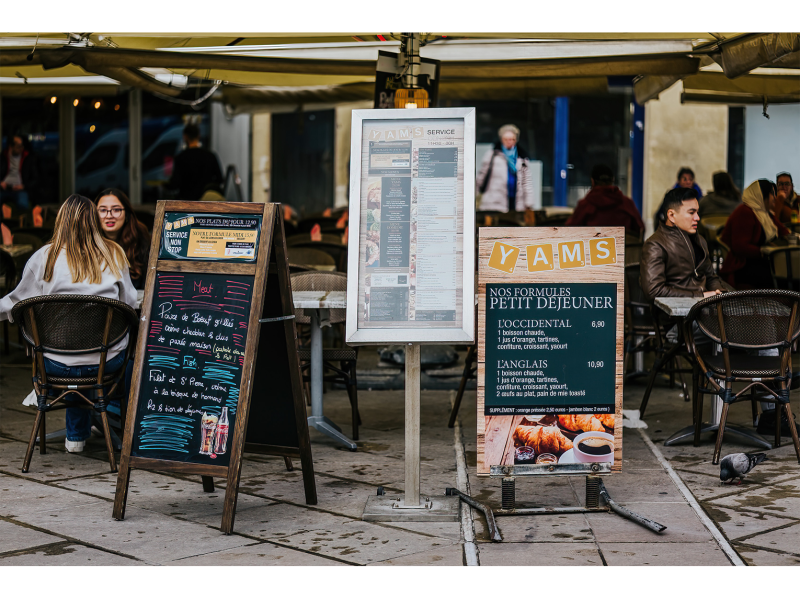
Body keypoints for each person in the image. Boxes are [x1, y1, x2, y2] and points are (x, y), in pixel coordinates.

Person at [0, 194, 137, 453]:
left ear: (60, 221)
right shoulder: (115, 255)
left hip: (55, 366)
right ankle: (114, 428)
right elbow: (129, 304)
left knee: (70, 354)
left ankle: (76, 438)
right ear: (94, 221)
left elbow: (14, 303)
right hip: (105, 364)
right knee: (118, 357)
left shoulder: (43, 258)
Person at [641, 187, 725, 300]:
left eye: (697, 212)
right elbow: (654, 291)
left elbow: (711, 277)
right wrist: (701, 296)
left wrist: (718, 292)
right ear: (671, 216)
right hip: (674, 315)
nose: (697, 218)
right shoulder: (655, 245)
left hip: (704, 310)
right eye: (691, 213)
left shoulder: (700, 240)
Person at [720, 179, 788, 289]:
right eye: (772, 194)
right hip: (744, 265)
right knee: (784, 275)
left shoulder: (765, 213)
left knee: (787, 271)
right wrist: (763, 250)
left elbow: (784, 232)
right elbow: (740, 247)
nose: (775, 198)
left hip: (761, 260)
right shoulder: (745, 212)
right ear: (762, 195)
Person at [94, 188, 151, 289]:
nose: (109, 216)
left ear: (127, 213)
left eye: (116, 210)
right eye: (103, 210)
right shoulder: (88, 240)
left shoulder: (141, 238)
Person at [565, 164, 644, 237]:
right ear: (612, 180)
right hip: (625, 249)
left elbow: (569, 231)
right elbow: (639, 229)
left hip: (593, 250)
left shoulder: (585, 205)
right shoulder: (627, 203)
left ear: (593, 181)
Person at [476, 124, 535, 212]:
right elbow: (481, 177)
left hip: (516, 203)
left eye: (512, 139)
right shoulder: (492, 155)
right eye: (506, 139)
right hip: (494, 203)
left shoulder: (522, 157)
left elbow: (527, 182)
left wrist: (528, 203)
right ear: (501, 140)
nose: (509, 141)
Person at [167, 123, 223, 201]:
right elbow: (219, 179)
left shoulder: (181, 157)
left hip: (187, 201)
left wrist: (165, 185)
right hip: (206, 201)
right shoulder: (210, 156)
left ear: (185, 137)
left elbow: (175, 183)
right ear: (198, 136)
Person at [0, 133, 38, 209]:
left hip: (20, 189)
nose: (21, 148)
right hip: (4, 188)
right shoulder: (3, 157)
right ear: (11, 147)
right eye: (18, 146)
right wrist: (0, 183)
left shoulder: (27, 158)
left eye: (22, 146)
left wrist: (23, 186)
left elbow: (35, 178)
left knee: (23, 204)